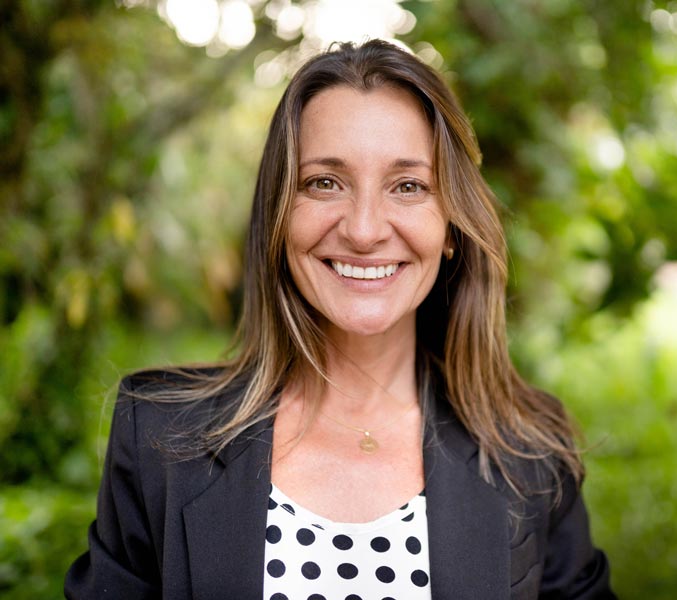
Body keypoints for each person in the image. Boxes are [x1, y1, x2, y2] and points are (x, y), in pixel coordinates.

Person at [65, 39, 614, 599]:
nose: (364, 229)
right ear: (279, 215)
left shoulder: (530, 449)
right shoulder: (159, 435)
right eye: (324, 182)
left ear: (451, 227)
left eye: (408, 186)